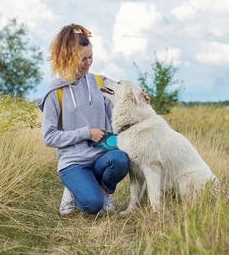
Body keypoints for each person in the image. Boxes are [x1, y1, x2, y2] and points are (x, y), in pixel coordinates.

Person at [37, 24, 149, 215]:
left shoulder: (100, 83)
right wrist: (86, 133)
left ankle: (105, 190)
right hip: (73, 163)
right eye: (83, 59)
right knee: (92, 206)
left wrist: (140, 103)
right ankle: (74, 189)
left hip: (102, 158)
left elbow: (121, 112)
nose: (89, 62)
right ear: (68, 58)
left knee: (121, 159)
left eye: (91, 57)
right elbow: (49, 137)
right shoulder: (55, 93)